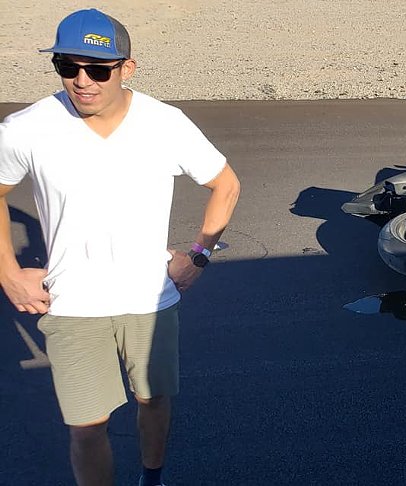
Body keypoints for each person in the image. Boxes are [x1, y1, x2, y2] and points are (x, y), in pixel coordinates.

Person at [0, 9, 240, 486]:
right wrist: (7, 271)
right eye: (67, 67)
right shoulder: (27, 127)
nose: (82, 81)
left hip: (149, 301)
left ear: (127, 68)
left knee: (153, 400)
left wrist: (199, 255)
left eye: (97, 69)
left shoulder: (164, 123)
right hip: (72, 306)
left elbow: (226, 184)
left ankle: (153, 477)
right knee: (86, 428)